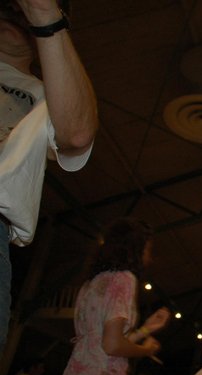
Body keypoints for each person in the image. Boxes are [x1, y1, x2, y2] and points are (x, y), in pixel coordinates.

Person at [0, 0, 98, 355]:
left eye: (19, 8)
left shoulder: (46, 95)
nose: (12, 12)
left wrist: (45, 16)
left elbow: (77, 134)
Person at [51, 217, 170, 375]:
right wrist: (146, 350)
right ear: (135, 248)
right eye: (148, 249)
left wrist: (146, 329)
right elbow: (112, 345)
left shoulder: (92, 283)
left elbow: (102, 341)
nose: (150, 257)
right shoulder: (124, 279)